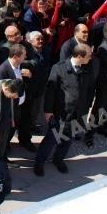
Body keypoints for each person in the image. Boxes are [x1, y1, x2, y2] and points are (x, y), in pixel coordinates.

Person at [34, 43, 95, 177]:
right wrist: (48, 111)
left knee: (67, 140)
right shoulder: (59, 68)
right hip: (61, 113)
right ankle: (39, 162)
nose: (91, 58)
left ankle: (58, 159)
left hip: (78, 113)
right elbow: (50, 91)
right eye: (89, 55)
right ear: (80, 56)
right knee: (51, 139)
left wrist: (86, 108)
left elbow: (89, 90)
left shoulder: (86, 68)